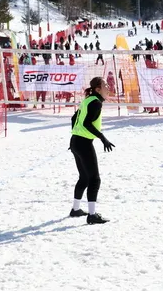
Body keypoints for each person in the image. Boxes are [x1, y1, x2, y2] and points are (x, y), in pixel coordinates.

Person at [69, 77, 115, 224]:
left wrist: (75, 133)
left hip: (76, 141)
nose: (108, 87)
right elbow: (87, 123)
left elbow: (74, 118)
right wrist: (102, 138)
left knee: (84, 177)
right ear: (97, 89)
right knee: (94, 179)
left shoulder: (88, 100)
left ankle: (76, 210)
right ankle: (92, 215)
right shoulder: (95, 103)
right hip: (83, 143)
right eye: (105, 85)